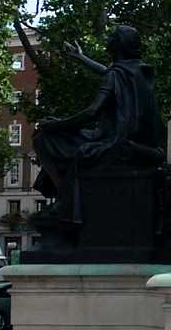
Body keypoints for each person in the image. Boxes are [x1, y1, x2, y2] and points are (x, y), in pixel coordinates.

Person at [33, 25, 163, 223]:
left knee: (44, 138)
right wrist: (80, 57)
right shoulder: (139, 71)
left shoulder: (116, 74)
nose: (107, 39)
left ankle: (65, 200)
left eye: (112, 36)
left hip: (113, 142)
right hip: (136, 142)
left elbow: (92, 112)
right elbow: (108, 72)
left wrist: (56, 125)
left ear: (118, 45)